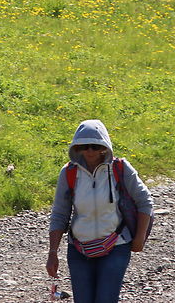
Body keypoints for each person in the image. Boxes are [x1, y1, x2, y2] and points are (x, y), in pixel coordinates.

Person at [47, 119, 154, 303]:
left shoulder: (120, 168)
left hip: (116, 246)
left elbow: (145, 202)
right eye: (85, 146)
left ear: (104, 147)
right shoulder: (69, 173)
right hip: (78, 249)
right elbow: (60, 214)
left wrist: (139, 238)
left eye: (95, 146)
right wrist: (52, 252)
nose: (90, 151)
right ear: (77, 148)